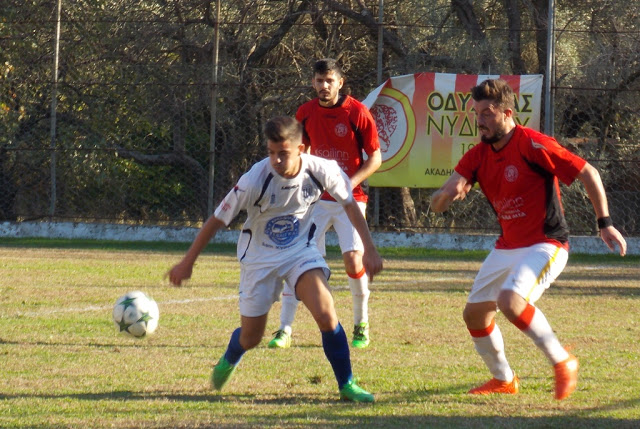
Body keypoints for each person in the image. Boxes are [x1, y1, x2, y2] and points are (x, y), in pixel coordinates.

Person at [431, 79, 627, 400]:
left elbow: (588, 172)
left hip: (546, 243)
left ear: (508, 113)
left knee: (510, 302)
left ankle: (563, 361)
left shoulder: (532, 144)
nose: (479, 121)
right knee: (475, 314)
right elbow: (441, 198)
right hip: (507, 246)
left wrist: (604, 223)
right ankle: (504, 379)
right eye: (476, 114)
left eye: (487, 114)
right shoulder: (478, 155)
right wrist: (445, 197)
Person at [167, 116, 383, 402]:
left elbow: (350, 205)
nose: (276, 161)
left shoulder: (323, 170)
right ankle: (231, 357)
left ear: (302, 149)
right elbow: (216, 220)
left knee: (326, 312)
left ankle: (347, 385)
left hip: (300, 252)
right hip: (259, 258)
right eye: (271, 153)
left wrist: (369, 248)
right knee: (252, 337)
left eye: (283, 153)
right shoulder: (255, 179)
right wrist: (187, 263)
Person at [268, 58, 382, 350]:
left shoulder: (357, 112)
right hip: (314, 199)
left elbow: (376, 158)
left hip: (350, 198)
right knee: (298, 262)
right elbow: (296, 153)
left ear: (340, 83)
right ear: (313, 83)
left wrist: (348, 183)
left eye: (329, 81)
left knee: (353, 260)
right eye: (319, 81)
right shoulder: (305, 113)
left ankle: (361, 325)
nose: (324, 86)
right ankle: (284, 330)